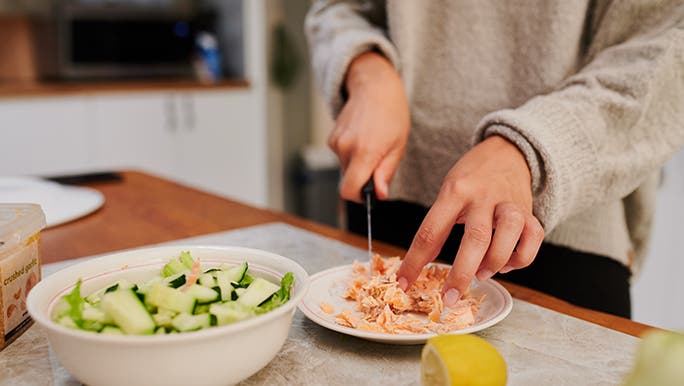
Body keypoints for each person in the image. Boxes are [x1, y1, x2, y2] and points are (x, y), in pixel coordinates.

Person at [305, 1, 684, 318]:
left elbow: (667, 47)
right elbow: (336, 8)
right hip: (389, 196)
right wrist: (366, 68)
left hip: (563, 229)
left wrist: (529, 147)